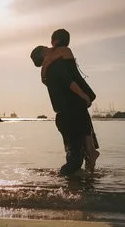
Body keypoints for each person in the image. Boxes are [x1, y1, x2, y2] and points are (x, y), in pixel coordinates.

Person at [32, 28, 99, 174]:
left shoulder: (52, 65)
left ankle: (83, 184)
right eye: (45, 48)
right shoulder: (55, 64)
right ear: (43, 53)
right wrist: (83, 95)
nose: (49, 47)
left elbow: (56, 79)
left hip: (69, 111)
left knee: (79, 154)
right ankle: (66, 186)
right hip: (71, 110)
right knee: (78, 156)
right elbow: (68, 82)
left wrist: (44, 68)